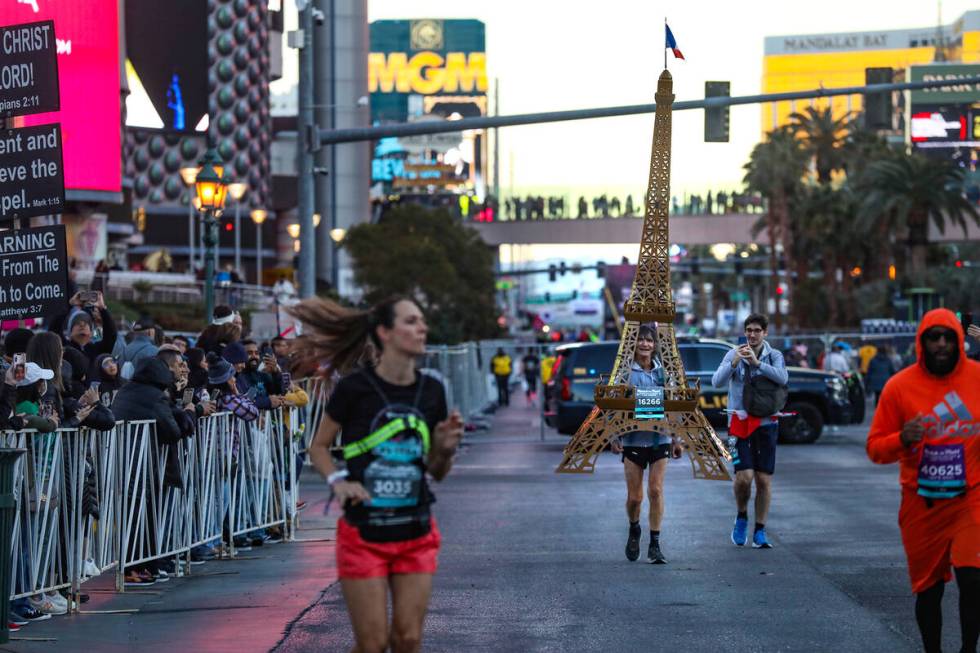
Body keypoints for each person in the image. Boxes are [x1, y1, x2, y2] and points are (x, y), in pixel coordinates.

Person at [288, 295, 463, 653]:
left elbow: (437, 472)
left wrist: (444, 450)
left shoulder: (432, 390)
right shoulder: (355, 389)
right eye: (411, 321)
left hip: (416, 530)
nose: (422, 328)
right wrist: (339, 482)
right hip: (364, 533)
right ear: (385, 332)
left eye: (422, 320)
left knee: (408, 639)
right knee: (372, 644)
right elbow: (318, 446)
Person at [867, 309, 980, 653]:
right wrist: (903, 438)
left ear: (959, 340)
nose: (942, 344)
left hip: (970, 500)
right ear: (922, 342)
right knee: (928, 589)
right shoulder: (899, 386)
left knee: (973, 578)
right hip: (921, 502)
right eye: (934, 337)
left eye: (948, 337)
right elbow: (875, 448)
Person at [712, 313, 788, 549]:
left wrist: (758, 364)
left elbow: (783, 378)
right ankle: (742, 515)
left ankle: (760, 531)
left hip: (766, 424)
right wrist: (734, 361)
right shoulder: (733, 353)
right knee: (743, 478)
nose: (752, 334)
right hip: (737, 425)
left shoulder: (774, 355)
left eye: (756, 330)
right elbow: (716, 382)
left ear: (765, 333)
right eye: (748, 330)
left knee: (763, 480)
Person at [609, 326, 681, 564]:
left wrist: (676, 438)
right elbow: (612, 404)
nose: (645, 344)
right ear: (633, 343)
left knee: (656, 490)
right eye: (641, 339)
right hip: (633, 439)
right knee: (636, 498)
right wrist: (613, 436)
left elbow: (676, 404)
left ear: (655, 344)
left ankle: (655, 543)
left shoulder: (664, 372)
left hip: (660, 438)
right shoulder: (625, 372)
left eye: (649, 340)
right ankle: (634, 528)